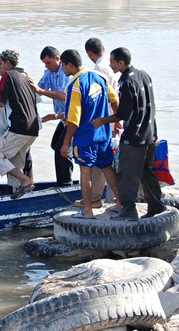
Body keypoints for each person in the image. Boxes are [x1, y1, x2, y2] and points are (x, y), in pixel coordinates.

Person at [92, 48, 166, 220]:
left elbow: (123, 114)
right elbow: (151, 107)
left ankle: (128, 210)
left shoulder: (126, 81)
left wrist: (102, 120)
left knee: (127, 175)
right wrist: (154, 134)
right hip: (149, 134)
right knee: (147, 172)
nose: (110, 65)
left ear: (121, 63)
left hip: (134, 136)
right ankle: (156, 206)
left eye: (112, 62)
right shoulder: (144, 75)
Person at [59, 49, 121, 218]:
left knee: (85, 172)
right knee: (107, 167)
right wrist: (117, 121)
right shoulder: (99, 78)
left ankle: (88, 209)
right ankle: (120, 202)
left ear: (70, 65)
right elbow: (114, 99)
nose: (62, 70)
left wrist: (66, 143)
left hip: (85, 136)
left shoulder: (75, 85)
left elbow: (73, 119)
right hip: (103, 134)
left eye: (63, 66)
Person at [0, 50, 39, 199]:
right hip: (33, 128)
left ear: (7, 63)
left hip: (19, 127)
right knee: (15, 163)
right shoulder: (25, 75)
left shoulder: (7, 75)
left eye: (1, 64)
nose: (1, 69)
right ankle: (19, 195)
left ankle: (25, 180)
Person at [85, 38, 120, 205]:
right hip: (116, 116)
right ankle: (114, 196)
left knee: (102, 160)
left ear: (89, 53)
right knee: (113, 157)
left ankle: (97, 198)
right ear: (104, 49)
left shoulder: (99, 68)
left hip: (105, 118)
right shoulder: (112, 64)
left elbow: (103, 94)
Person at [32, 46, 74, 187]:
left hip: (72, 118)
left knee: (61, 150)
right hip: (63, 118)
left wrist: (42, 91)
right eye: (44, 63)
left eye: (49, 63)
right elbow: (37, 90)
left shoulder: (65, 73)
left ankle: (66, 183)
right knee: (55, 144)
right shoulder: (49, 72)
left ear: (58, 59)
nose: (47, 66)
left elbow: (63, 96)